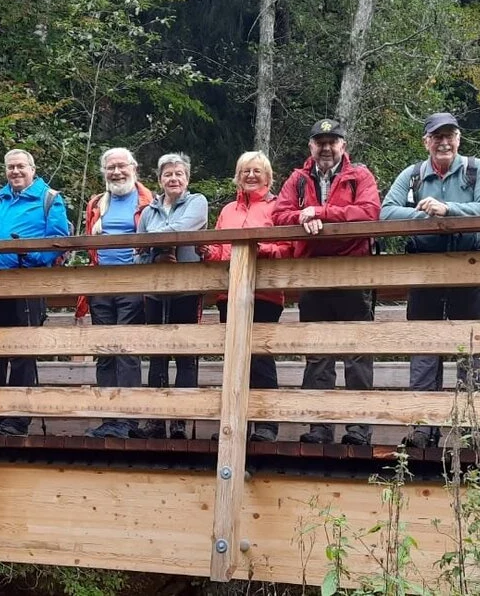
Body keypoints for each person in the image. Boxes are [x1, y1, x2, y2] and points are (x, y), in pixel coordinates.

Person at [380, 113, 480, 449]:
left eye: (449, 136)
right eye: (437, 137)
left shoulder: (477, 169)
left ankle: (477, 427)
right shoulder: (413, 174)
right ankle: (422, 425)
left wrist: (448, 209)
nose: (443, 142)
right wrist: (426, 214)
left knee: (472, 346)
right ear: (426, 142)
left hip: (469, 266)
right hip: (424, 269)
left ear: (459, 138)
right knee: (424, 346)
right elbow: (386, 211)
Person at [273, 119, 381, 445]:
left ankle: (358, 430)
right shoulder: (298, 179)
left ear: (343, 146)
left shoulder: (359, 176)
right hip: (312, 274)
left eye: (332, 141)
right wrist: (302, 216)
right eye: (320, 142)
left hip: (353, 273)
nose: (326, 148)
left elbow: (369, 212)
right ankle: (319, 429)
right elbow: (278, 215)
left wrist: (321, 212)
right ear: (311, 146)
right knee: (317, 354)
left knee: (356, 353)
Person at [0, 149, 70, 436]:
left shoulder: (49, 198)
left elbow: (59, 241)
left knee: (22, 353)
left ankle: (17, 418)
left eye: (20, 167)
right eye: (10, 167)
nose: (15, 172)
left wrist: (29, 256)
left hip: (28, 283)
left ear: (32, 169)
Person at [203, 151, 293, 442]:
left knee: (259, 358)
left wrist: (260, 249)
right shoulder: (228, 210)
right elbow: (220, 251)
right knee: (233, 359)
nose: (251, 176)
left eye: (257, 171)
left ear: (268, 177)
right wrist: (208, 252)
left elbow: (288, 247)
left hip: (265, 292)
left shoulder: (278, 207)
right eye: (245, 171)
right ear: (238, 177)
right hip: (228, 293)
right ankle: (233, 423)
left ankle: (265, 424)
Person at [81, 148, 153, 439]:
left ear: (134, 168)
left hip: (133, 284)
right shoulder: (97, 203)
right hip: (100, 284)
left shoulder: (147, 201)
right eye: (110, 168)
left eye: (122, 166)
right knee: (104, 352)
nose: (116, 172)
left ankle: (128, 419)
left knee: (126, 351)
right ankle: (109, 418)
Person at [135, 153, 208, 439]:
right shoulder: (148, 212)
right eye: (168, 174)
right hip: (155, 291)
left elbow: (183, 229)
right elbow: (137, 252)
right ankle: (156, 420)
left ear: (187, 179)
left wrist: (153, 240)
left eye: (179, 174)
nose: (174, 178)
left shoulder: (197, 202)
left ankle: (180, 421)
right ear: (160, 179)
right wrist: (155, 254)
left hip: (187, 290)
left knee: (186, 356)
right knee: (157, 355)